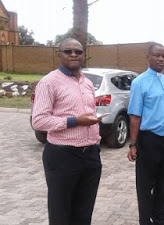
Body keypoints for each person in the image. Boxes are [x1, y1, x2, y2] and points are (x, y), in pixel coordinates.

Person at [32, 38, 103, 225]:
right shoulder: (49, 82)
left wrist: (96, 141)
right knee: (61, 213)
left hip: (90, 155)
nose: (73, 54)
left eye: (78, 52)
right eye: (68, 51)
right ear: (59, 54)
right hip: (63, 155)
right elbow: (38, 120)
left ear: (83, 55)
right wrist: (75, 121)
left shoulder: (87, 83)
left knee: (84, 212)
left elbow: (89, 113)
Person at [127, 43, 164, 225]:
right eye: (157, 55)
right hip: (149, 141)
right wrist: (133, 144)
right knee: (145, 186)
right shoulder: (140, 82)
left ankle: (160, 219)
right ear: (148, 57)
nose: (161, 59)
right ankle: (145, 221)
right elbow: (135, 115)